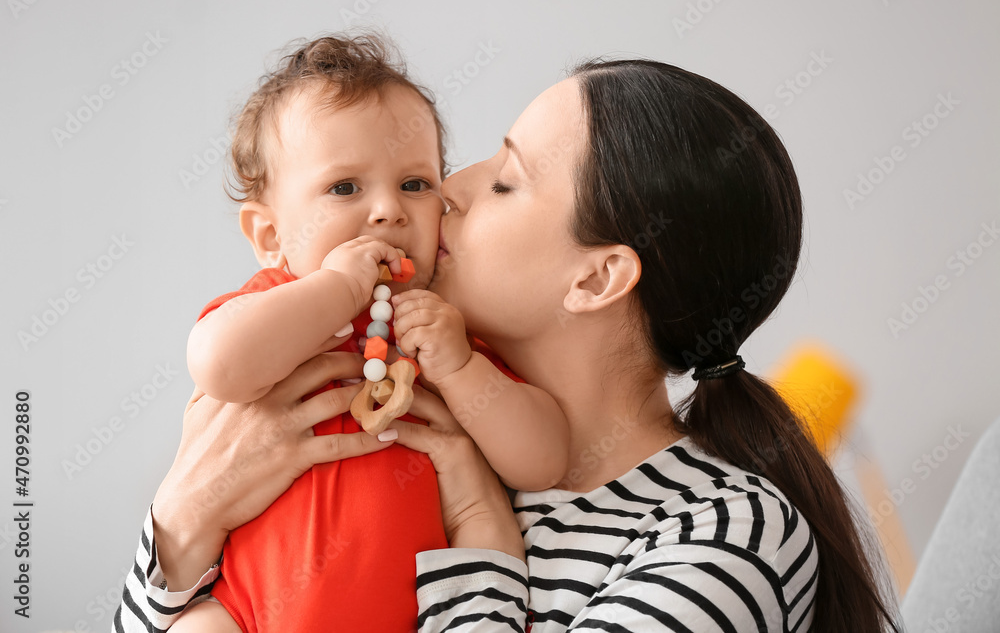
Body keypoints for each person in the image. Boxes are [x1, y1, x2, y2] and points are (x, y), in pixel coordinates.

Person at [115, 58, 902, 632]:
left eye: (504, 180)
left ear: (596, 279)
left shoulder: (728, 535)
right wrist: (184, 523)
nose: (445, 187)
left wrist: (482, 522)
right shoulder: (413, 421)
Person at [166, 33, 569, 633]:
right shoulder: (271, 307)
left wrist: (460, 369)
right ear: (271, 235)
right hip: (251, 614)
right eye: (345, 188)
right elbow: (220, 364)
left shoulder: (442, 331)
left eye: (416, 184)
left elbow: (543, 461)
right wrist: (337, 289)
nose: (388, 211)